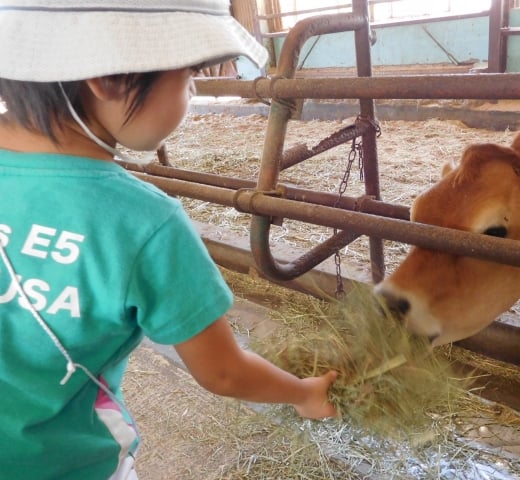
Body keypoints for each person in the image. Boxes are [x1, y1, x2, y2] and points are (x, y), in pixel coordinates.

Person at [0, 1, 338, 479]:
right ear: (110, 78)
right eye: (188, 76)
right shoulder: (142, 222)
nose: (192, 90)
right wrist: (304, 393)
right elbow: (223, 372)